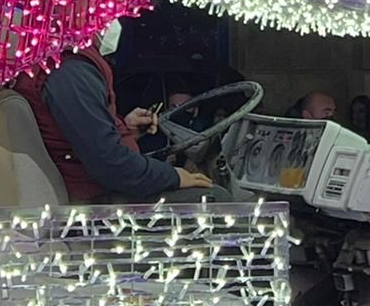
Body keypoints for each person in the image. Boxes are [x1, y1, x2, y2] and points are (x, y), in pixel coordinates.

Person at [12, 19, 226, 204]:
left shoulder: (54, 61)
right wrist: (173, 176)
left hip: (92, 186)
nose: (115, 19)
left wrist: (124, 130)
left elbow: (81, 134)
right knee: (216, 199)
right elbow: (109, 164)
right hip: (95, 201)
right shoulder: (71, 70)